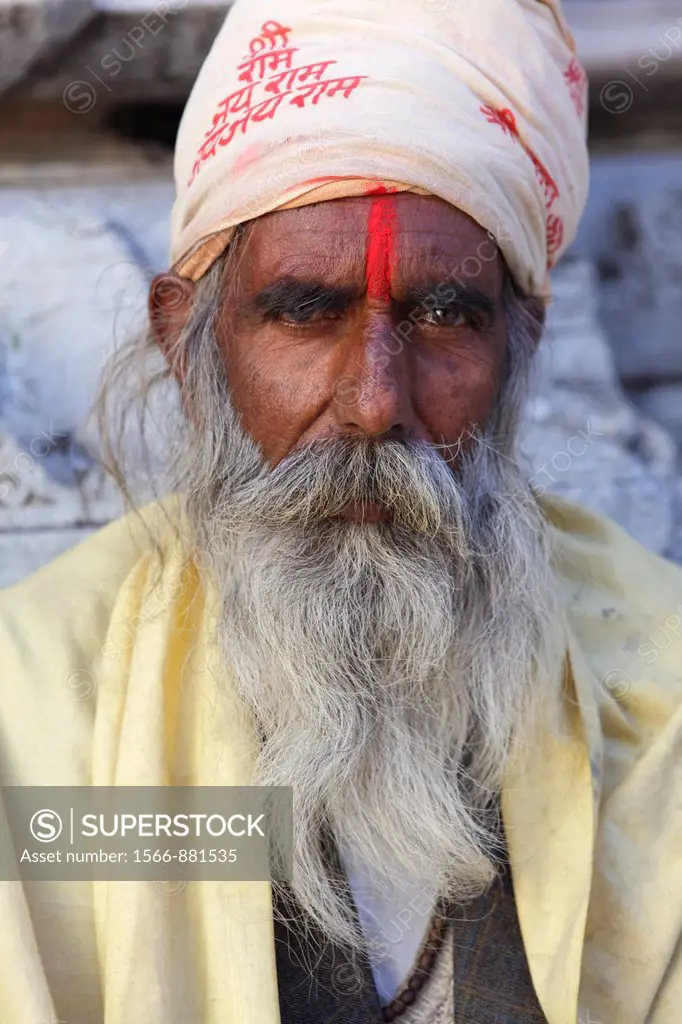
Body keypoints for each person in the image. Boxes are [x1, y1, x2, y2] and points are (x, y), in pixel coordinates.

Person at [1, 1, 681, 1022]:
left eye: (444, 316)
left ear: (519, 349)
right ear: (189, 348)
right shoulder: (32, 714)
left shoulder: (658, 698)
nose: (373, 402)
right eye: (306, 311)